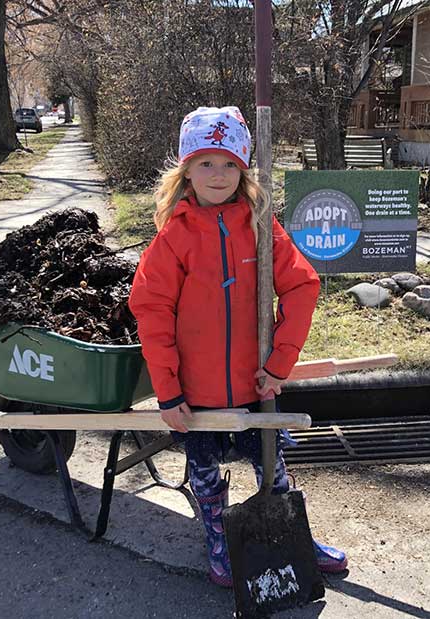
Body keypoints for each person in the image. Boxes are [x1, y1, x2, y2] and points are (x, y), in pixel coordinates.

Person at [128, 106, 347, 588]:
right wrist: (167, 390)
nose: (218, 174)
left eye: (230, 164)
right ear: (185, 168)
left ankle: (292, 533)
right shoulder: (175, 237)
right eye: (206, 162)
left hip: (255, 382)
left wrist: (279, 363)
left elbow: (302, 286)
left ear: (244, 168)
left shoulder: (260, 226)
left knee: (272, 463)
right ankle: (217, 535)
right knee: (204, 468)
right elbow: (151, 308)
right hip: (197, 389)